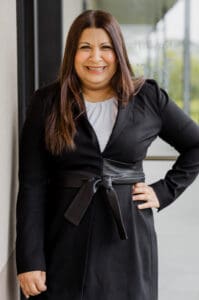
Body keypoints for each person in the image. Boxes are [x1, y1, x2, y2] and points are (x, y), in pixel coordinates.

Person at [16, 9, 199, 300]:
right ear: (72, 53)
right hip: (65, 238)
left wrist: (164, 191)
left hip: (128, 239)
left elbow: (195, 145)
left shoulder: (148, 98)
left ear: (119, 51)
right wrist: (30, 260)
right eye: (85, 47)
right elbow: (31, 185)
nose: (95, 58)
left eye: (106, 47)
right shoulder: (47, 102)